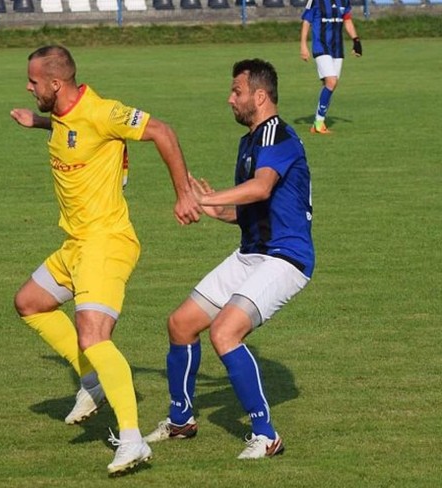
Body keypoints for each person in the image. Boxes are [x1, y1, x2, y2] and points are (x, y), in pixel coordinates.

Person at [10, 45, 201, 475]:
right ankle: (93, 382)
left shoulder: (104, 112)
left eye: (34, 82)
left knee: (94, 336)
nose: (28, 86)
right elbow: (70, 132)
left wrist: (184, 193)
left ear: (55, 83)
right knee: (30, 303)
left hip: (106, 242)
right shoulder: (63, 113)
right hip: (77, 243)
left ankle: (132, 440)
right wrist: (38, 122)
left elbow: (164, 132)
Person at [144, 59, 315, 460]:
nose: (230, 99)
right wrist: (217, 210)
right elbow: (251, 207)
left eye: (236, 92)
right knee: (181, 324)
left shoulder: (277, 134)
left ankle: (266, 435)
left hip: (285, 259)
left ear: (259, 96)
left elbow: (260, 188)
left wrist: (202, 197)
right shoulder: (249, 142)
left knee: (224, 333)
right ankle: (181, 420)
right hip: (252, 254)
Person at [300, 0, 362, 134]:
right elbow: (306, 21)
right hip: (321, 46)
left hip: (337, 49)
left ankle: (317, 122)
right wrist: (303, 45)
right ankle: (319, 123)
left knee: (330, 85)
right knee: (331, 81)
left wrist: (356, 40)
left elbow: (347, 19)